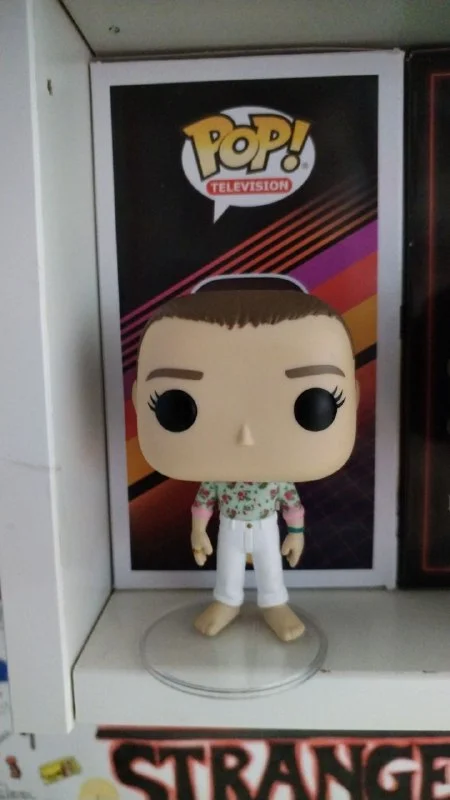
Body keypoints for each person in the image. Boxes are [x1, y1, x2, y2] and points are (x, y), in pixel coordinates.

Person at [133, 279, 357, 642]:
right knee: (228, 569)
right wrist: (198, 531)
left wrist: (296, 534)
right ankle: (227, 602)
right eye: (175, 406)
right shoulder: (217, 478)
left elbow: (292, 505)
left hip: (266, 526)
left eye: (311, 404)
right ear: (137, 397)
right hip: (231, 527)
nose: (245, 437)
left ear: (354, 397)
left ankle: (274, 604)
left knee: (271, 569)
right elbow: (203, 503)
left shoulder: (278, 479)